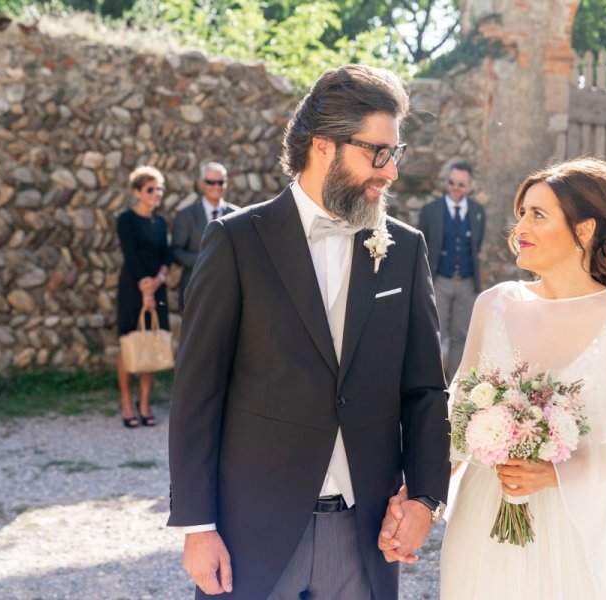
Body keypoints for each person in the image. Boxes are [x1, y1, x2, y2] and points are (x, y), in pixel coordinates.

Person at [380, 158, 606, 599]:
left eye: (538, 215)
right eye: (521, 212)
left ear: (583, 230)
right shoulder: (494, 305)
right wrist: (417, 497)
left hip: (572, 525)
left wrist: (554, 474)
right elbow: (457, 420)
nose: (520, 226)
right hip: (483, 521)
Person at [168, 64, 450, 600]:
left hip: (365, 535)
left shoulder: (405, 249)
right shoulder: (235, 241)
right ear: (324, 145)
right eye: (377, 152)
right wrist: (197, 527)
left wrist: (425, 499)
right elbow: (197, 394)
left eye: (395, 153)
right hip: (254, 531)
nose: (390, 172)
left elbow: (424, 389)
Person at [418, 162, 486, 379]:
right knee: (435, 333)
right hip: (439, 280)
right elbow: (423, 245)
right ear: (447, 183)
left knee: (461, 335)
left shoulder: (478, 212)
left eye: (461, 184)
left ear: (469, 186)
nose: (455, 187)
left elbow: (476, 246)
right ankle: (432, 380)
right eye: (452, 183)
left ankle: (455, 381)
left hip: (467, 282)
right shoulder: (431, 211)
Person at [116, 166, 171, 428]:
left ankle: (145, 403)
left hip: (155, 288)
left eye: (159, 188)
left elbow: (166, 256)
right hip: (132, 287)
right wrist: (144, 288)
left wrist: (157, 282)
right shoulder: (126, 220)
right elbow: (131, 255)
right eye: (151, 189)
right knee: (129, 343)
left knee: (150, 341)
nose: (156, 193)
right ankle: (127, 403)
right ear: (137, 192)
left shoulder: (159, 222)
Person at [171, 162, 239, 314]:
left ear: (226, 184)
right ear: (202, 184)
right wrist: (206, 260)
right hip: (195, 288)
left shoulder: (237, 214)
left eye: (220, 182)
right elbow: (176, 252)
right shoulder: (186, 215)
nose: (216, 186)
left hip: (229, 291)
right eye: (211, 182)